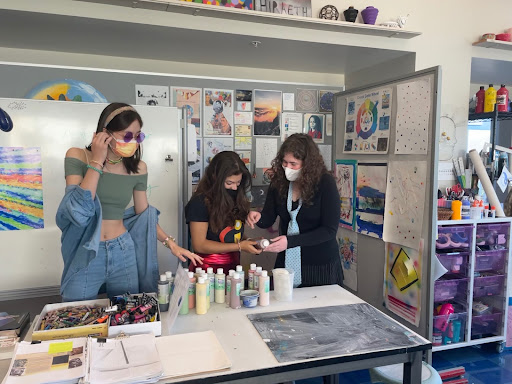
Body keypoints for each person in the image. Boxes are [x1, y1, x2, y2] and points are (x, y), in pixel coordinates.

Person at [57, 102, 202, 301]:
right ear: (105, 133)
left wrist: (171, 244)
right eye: (127, 136)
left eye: (138, 136)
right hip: (86, 250)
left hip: (122, 250)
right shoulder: (78, 156)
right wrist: (97, 161)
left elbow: (144, 214)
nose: (133, 142)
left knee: (129, 314)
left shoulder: (138, 168)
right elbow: (78, 210)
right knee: (76, 315)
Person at [247, 133, 343, 288]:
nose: (288, 168)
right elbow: (268, 218)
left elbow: (329, 230)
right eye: (284, 163)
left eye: (293, 164)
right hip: (286, 261)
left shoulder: (325, 183)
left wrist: (290, 242)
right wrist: (257, 217)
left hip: (320, 263)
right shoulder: (279, 182)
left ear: (308, 164)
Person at [185, 151, 262, 273]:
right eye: (229, 183)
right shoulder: (200, 202)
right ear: (215, 178)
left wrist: (249, 242)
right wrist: (240, 246)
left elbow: (228, 235)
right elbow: (199, 244)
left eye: (238, 182)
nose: (235, 188)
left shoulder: (234, 195)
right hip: (207, 270)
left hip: (233, 267)